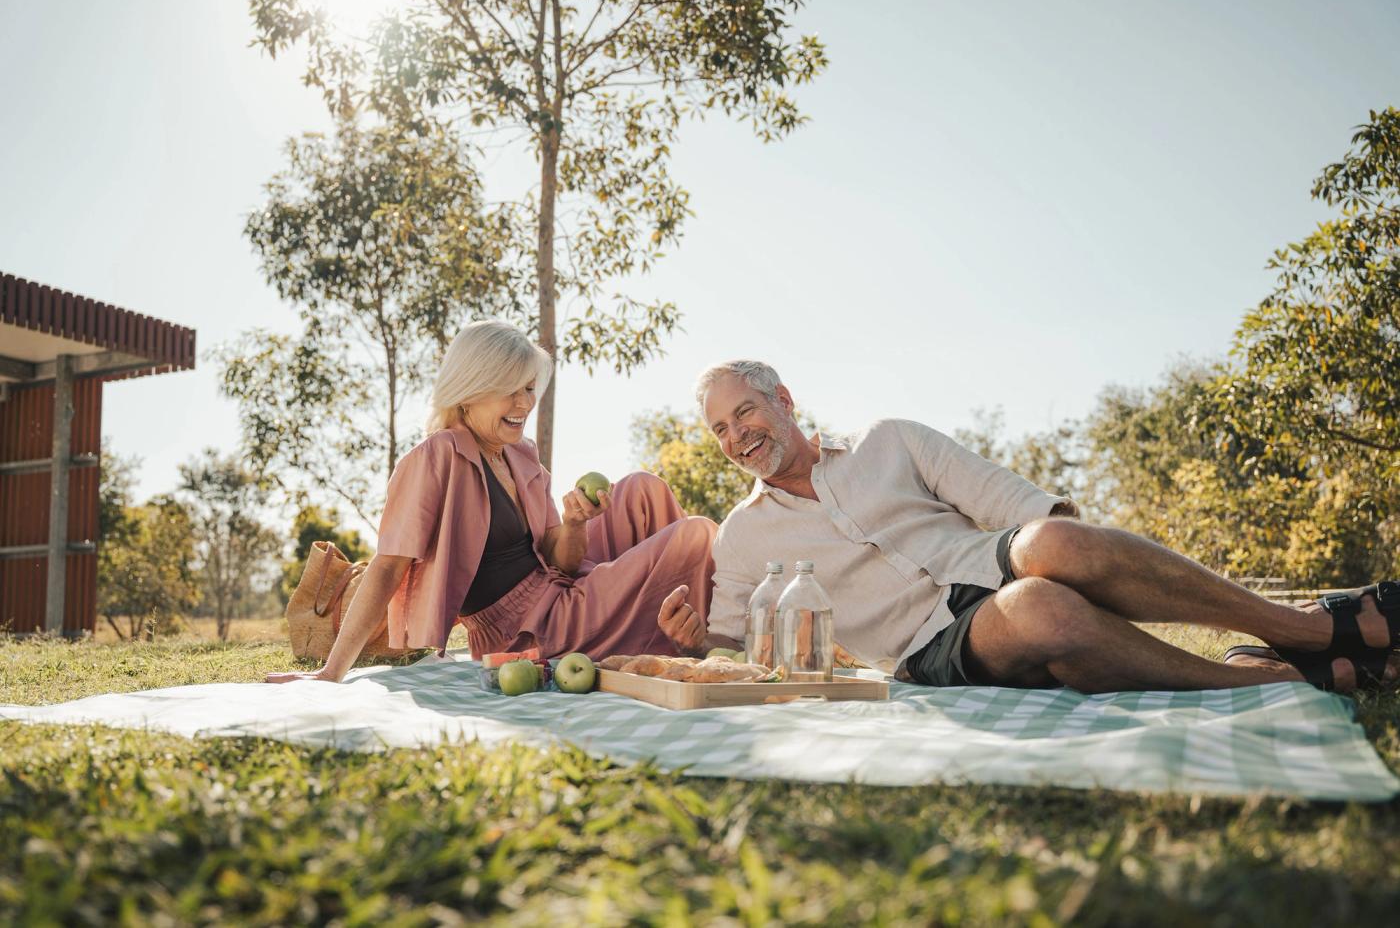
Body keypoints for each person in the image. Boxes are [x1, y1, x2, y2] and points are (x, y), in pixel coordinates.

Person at [653, 359, 1400, 694]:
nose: (736, 435)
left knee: (1051, 544)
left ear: (781, 397)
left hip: (990, 558)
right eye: (720, 428)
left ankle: (1302, 627)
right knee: (1044, 612)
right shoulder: (742, 535)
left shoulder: (890, 438)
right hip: (927, 645)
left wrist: (1075, 548)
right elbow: (734, 637)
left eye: (744, 410)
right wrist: (698, 640)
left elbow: (1011, 498)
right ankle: (1260, 676)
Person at [268, 320, 716, 684]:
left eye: (529, 389)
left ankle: (694, 632)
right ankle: (710, 644)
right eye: (513, 390)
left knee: (641, 490)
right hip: (526, 630)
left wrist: (577, 523)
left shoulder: (519, 454)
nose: (526, 403)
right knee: (694, 534)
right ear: (471, 388)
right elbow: (387, 567)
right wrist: (331, 672)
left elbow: (557, 558)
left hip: (559, 588)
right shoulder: (436, 457)